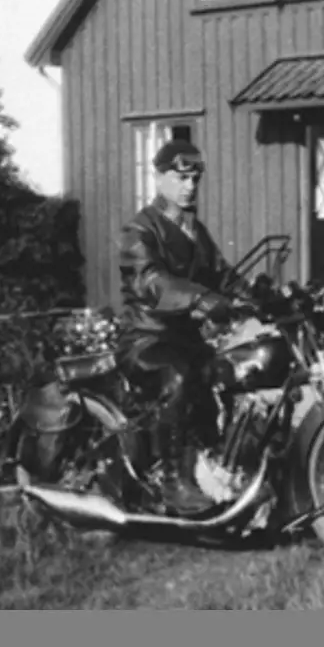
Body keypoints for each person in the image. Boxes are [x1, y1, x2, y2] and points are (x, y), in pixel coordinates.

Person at [116, 138, 246, 515]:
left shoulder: (194, 230)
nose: (189, 186)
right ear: (159, 178)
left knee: (229, 373)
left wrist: (258, 294)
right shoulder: (139, 230)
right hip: (146, 339)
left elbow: (223, 275)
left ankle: (218, 465)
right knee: (176, 377)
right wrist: (200, 299)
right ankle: (173, 483)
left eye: (194, 179)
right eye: (180, 177)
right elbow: (152, 283)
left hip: (185, 340)